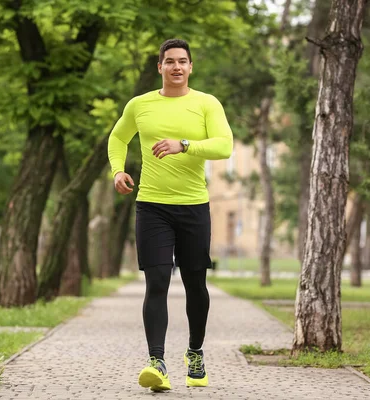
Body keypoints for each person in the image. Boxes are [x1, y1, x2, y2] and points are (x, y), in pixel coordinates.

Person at [107, 38, 233, 392]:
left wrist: (185, 145)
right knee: (157, 281)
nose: (176, 67)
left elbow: (225, 145)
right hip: (152, 206)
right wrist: (117, 170)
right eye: (170, 62)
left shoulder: (206, 104)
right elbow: (118, 138)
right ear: (159, 67)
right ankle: (157, 362)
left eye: (183, 61)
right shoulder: (140, 105)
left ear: (191, 67)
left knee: (196, 284)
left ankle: (194, 353)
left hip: (194, 206)